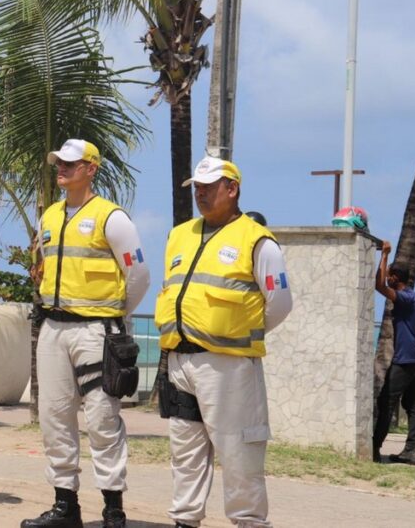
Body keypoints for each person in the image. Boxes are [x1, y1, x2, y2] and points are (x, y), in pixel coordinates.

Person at [154, 156, 292, 528]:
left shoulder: (257, 240)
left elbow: (279, 303)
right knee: (185, 453)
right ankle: (184, 520)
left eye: (209, 187)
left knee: (238, 454)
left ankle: (248, 521)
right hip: (180, 362)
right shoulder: (179, 235)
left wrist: (240, 333)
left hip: (228, 366)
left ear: (232, 189)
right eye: (196, 187)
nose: (200, 193)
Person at [22, 139, 150, 528]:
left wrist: (112, 316)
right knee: (54, 416)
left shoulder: (112, 218)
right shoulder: (48, 218)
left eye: (71, 163)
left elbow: (140, 276)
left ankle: (113, 510)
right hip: (54, 328)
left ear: (91, 168)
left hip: (96, 330)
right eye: (59, 162)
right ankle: (66, 507)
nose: (61, 168)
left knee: (101, 419)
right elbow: (41, 269)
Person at [372, 242, 415, 465]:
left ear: (396, 278)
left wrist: (385, 254)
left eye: (390, 275)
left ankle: (374, 448)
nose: (388, 278)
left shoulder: (404, 298)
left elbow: (379, 286)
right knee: (412, 404)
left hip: (405, 361)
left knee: (386, 400)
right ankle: (411, 451)